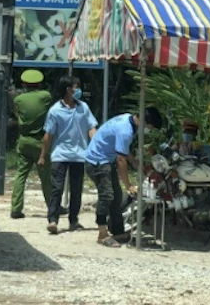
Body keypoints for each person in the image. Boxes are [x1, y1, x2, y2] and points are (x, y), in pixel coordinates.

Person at [84, 106, 163, 247]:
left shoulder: (129, 120)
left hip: (106, 159)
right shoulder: (125, 130)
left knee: (116, 195)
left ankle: (117, 231)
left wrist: (133, 161)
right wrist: (129, 185)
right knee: (107, 195)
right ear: (144, 121)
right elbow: (121, 160)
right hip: (97, 161)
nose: (149, 130)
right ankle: (102, 234)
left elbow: (123, 148)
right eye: (150, 127)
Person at [39, 75, 98, 234]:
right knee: (57, 188)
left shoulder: (83, 108)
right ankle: (53, 219)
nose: (78, 90)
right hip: (60, 155)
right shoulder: (55, 111)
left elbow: (91, 127)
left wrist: (96, 144)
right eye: (76, 87)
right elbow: (48, 136)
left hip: (80, 155)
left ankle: (74, 220)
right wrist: (42, 155)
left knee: (77, 189)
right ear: (68, 89)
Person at [10, 69, 53, 219]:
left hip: (23, 141)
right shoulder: (45, 97)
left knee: (20, 175)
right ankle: (52, 207)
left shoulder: (19, 99)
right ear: (40, 83)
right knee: (46, 177)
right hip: (40, 142)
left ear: (24, 83)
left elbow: (16, 113)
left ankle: (15, 208)